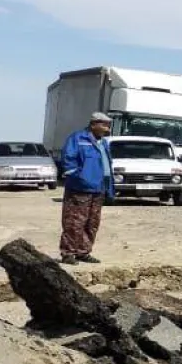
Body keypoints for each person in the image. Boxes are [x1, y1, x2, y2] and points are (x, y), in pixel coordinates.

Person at [58, 112, 114, 265]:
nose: (107, 127)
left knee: (92, 222)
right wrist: (78, 177)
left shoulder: (103, 143)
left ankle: (83, 252)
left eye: (108, 124)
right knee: (74, 222)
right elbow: (68, 160)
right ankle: (68, 253)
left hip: (98, 189)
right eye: (103, 124)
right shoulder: (78, 138)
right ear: (93, 124)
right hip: (79, 189)